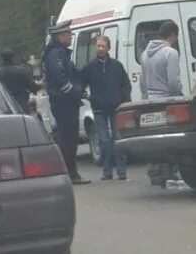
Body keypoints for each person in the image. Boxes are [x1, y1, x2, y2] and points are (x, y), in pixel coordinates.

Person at [42, 20, 90, 185]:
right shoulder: (56, 54)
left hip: (66, 101)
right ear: (58, 36)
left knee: (69, 139)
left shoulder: (60, 52)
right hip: (64, 102)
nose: (70, 36)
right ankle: (69, 174)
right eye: (67, 34)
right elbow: (60, 79)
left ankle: (70, 173)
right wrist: (76, 91)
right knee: (68, 141)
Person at [80, 35, 131, 181]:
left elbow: (125, 84)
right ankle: (107, 171)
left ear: (108, 48)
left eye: (103, 46)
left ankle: (122, 171)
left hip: (116, 108)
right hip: (98, 109)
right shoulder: (90, 67)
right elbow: (80, 83)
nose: (100, 48)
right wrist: (86, 95)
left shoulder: (116, 65)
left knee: (118, 139)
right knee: (104, 141)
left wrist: (123, 101)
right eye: (98, 46)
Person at [140, 20, 182, 186]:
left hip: (149, 99)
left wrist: (145, 97)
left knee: (153, 138)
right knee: (170, 138)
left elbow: (142, 82)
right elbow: (173, 82)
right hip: (166, 99)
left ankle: (154, 172)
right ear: (173, 35)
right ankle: (170, 172)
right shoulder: (170, 53)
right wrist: (177, 97)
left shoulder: (145, 54)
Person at [0, 48, 42, 113]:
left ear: (2, 58)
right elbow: (32, 87)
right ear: (13, 57)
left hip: (4, 105)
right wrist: (41, 86)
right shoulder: (20, 71)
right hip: (20, 104)